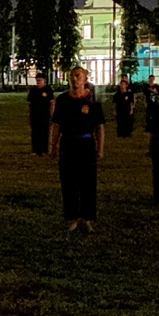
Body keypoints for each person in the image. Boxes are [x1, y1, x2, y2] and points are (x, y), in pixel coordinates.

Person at [50, 67, 105, 232]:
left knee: (88, 182)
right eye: (72, 76)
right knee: (69, 182)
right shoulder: (63, 100)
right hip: (68, 145)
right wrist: (53, 146)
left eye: (78, 76)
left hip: (86, 145)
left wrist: (100, 148)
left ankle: (87, 218)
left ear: (85, 79)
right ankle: (72, 217)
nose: (75, 79)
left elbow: (100, 127)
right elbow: (57, 125)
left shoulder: (92, 101)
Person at [27, 73, 55, 156]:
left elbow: (52, 102)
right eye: (37, 80)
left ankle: (44, 149)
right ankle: (36, 149)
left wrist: (52, 114)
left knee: (44, 132)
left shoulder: (48, 89)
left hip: (45, 114)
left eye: (40, 80)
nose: (38, 82)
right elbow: (29, 103)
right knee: (35, 132)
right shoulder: (33, 90)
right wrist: (29, 114)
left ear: (44, 81)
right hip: (35, 114)